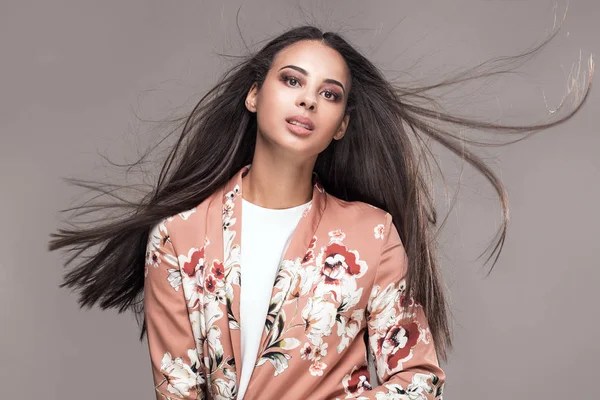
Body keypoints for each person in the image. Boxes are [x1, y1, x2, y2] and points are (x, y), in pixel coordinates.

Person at [48, 24, 592, 399]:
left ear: (343, 124)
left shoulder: (371, 234)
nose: (308, 100)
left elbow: (418, 379)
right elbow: (179, 388)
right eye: (291, 81)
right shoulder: (178, 239)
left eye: (329, 94)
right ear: (255, 96)